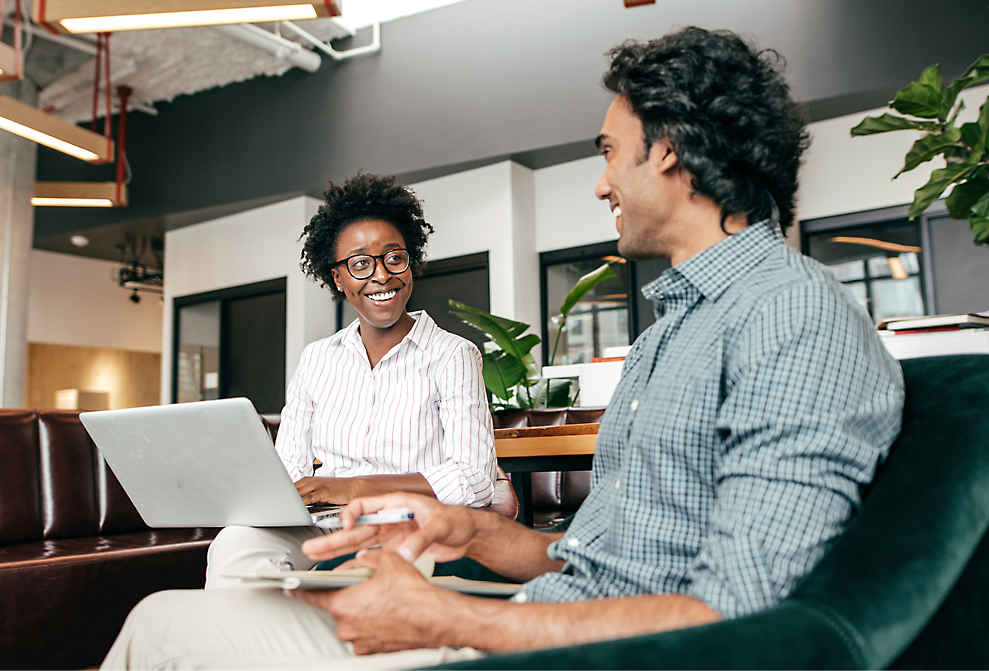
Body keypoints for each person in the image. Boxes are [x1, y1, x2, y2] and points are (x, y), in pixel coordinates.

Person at [101, 27, 904, 669]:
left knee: (161, 627)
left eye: (605, 151)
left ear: (668, 151)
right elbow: (600, 556)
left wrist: (451, 615)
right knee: (181, 610)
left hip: (541, 648)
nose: (601, 183)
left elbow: (738, 615)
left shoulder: (791, 317)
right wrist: (470, 532)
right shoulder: (678, 329)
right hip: (530, 622)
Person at [204, 173, 497, 588]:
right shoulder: (318, 358)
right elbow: (289, 467)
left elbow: (474, 478)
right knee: (235, 547)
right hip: (323, 523)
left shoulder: (453, 354)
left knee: (349, 571)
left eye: (394, 257)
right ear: (338, 278)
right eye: (360, 264)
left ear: (410, 261)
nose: (381, 276)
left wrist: (355, 488)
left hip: (408, 524)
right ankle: (249, 648)